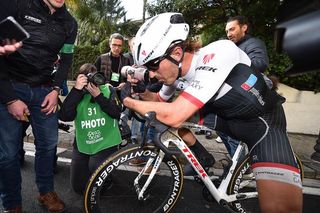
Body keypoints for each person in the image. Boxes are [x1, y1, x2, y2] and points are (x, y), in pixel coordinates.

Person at [121, 12, 302, 212]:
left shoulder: (218, 52)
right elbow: (157, 102)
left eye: (153, 65)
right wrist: (138, 93)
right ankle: (202, 155)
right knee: (164, 119)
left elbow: (173, 113)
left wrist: (128, 102)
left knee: (281, 210)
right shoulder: (175, 75)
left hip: (262, 125)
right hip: (227, 118)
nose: (152, 74)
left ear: (177, 53)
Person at [0, 0, 77, 212]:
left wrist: (55, 90)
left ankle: (46, 192)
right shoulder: (18, 6)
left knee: (48, 145)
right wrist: (10, 98)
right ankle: (12, 203)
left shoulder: (69, 23)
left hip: (45, 91)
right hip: (12, 87)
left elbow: (66, 59)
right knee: (7, 154)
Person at [59, 63, 121, 194]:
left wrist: (98, 96)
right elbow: (65, 116)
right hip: (83, 142)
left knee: (96, 174)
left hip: (106, 141)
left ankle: (108, 180)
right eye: (88, 76)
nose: (92, 80)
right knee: (78, 187)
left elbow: (116, 113)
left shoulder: (107, 90)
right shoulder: (77, 93)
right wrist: (76, 90)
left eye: (94, 75)